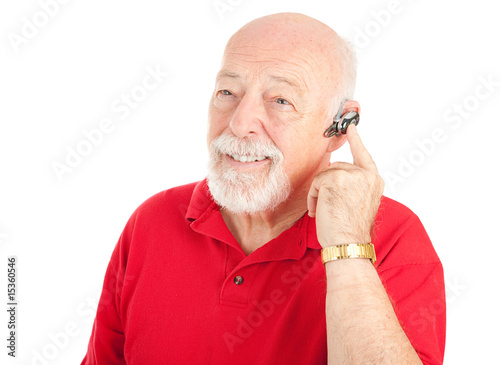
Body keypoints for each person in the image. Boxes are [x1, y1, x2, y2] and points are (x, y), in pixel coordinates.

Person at [81, 12, 445, 365]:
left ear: (340, 126)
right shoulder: (152, 221)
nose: (239, 124)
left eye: (281, 101)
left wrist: (348, 247)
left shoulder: (394, 237)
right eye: (227, 92)